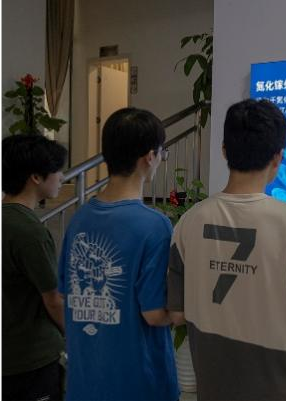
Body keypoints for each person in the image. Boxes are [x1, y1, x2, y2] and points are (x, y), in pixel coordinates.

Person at [167, 99, 286, 400]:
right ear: (278, 157)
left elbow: (177, 314)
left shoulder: (188, 222)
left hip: (213, 388)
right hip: (279, 388)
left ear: (224, 151)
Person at [57, 107, 179, 400]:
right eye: (162, 153)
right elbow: (154, 314)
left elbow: (65, 294)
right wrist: (183, 313)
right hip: (139, 383)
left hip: (86, 381)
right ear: (149, 156)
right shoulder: (154, 225)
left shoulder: (80, 218)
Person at [2, 134, 68, 400]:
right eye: (58, 170)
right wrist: (73, 336)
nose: (62, 177)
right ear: (36, 177)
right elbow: (53, 299)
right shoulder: (29, 231)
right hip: (31, 357)